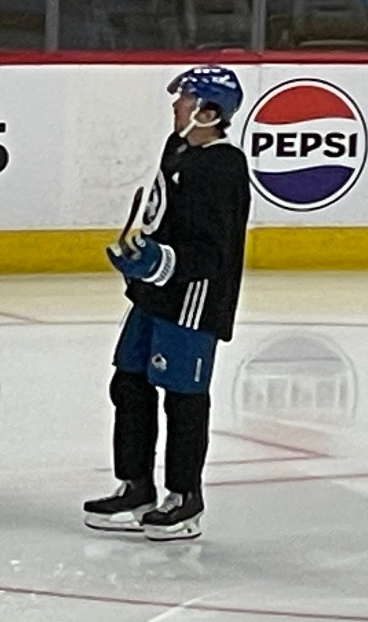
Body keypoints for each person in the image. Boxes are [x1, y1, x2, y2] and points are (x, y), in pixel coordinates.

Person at [83, 66, 252, 541]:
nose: (176, 105)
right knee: (129, 382)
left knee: (183, 396)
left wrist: (159, 260)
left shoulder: (224, 166)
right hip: (155, 294)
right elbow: (164, 221)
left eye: (187, 98)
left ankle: (185, 498)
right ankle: (135, 485)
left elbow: (214, 252)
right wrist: (140, 254)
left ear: (210, 111)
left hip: (193, 301)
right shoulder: (177, 148)